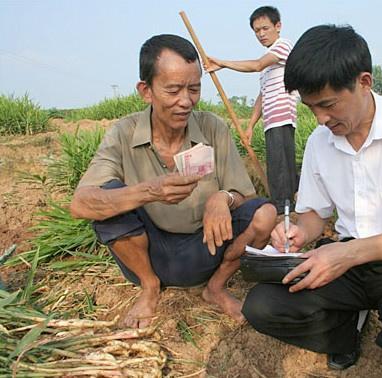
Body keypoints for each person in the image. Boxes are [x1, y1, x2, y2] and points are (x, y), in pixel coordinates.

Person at [241, 25, 382, 378]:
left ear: (364, 82)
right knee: (263, 306)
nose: (320, 119)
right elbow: (314, 214)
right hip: (347, 264)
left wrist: (347, 254)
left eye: (328, 105)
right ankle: (344, 334)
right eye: (311, 107)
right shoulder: (320, 142)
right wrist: (298, 233)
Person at [70, 34, 277, 328]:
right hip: (148, 253)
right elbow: (80, 203)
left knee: (265, 213)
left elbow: (242, 193)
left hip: (204, 249)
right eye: (173, 90)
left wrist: (222, 198)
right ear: (146, 91)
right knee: (109, 198)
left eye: (194, 89)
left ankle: (215, 288)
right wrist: (147, 192)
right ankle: (149, 287)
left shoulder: (212, 127)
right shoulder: (123, 132)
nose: (185, 101)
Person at [204, 6, 298, 214]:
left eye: (265, 28)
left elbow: (256, 65)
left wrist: (223, 63)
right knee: (276, 167)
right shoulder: (269, 62)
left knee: (281, 169)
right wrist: (251, 126)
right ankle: (283, 207)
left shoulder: (283, 47)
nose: (261, 34)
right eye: (257, 31)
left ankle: (285, 211)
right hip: (271, 121)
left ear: (278, 26)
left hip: (282, 117)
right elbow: (262, 96)